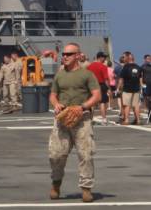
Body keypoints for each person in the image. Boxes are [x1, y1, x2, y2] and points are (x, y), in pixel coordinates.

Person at [48, 41, 101, 203]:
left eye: (69, 54)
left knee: (86, 154)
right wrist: (56, 104)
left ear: (78, 55)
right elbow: (53, 94)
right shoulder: (60, 74)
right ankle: (56, 184)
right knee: (56, 155)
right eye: (64, 54)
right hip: (62, 118)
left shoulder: (87, 74)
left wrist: (82, 107)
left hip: (82, 119)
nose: (65, 57)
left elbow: (96, 95)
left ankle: (86, 189)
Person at [118, 53, 143, 125]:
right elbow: (140, 78)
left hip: (127, 88)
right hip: (136, 88)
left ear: (128, 58)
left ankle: (126, 120)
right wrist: (141, 87)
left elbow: (121, 78)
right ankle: (138, 120)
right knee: (136, 105)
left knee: (127, 105)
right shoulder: (138, 67)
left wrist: (119, 88)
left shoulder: (126, 67)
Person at [87, 52, 110, 125]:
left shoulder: (89, 66)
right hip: (101, 85)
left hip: (92, 85)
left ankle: (90, 119)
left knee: (92, 103)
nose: (105, 59)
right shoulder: (103, 67)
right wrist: (108, 88)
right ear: (100, 57)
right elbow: (106, 79)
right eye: (104, 57)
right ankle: (104, 119)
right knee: (102, 102)